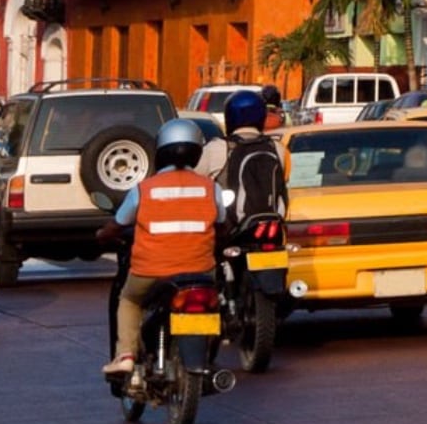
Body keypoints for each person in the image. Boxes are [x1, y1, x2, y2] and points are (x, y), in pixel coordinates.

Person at [96, 119, 224, 375]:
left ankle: (126, 354)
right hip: (200, 271)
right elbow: (222, 225)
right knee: (213, 302)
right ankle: (206, 351)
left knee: (129, 300)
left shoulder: (144, 189)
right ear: (196, 152)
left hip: (149, 271)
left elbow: (118, 224)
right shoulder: (212, 188)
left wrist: (102, 234)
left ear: (160, 151)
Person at [194, 90, 288, 229]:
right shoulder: (277, 148)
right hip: (271, 228)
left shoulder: (217, 148)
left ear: (230, 116)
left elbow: (193, 180)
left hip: (230, 231)